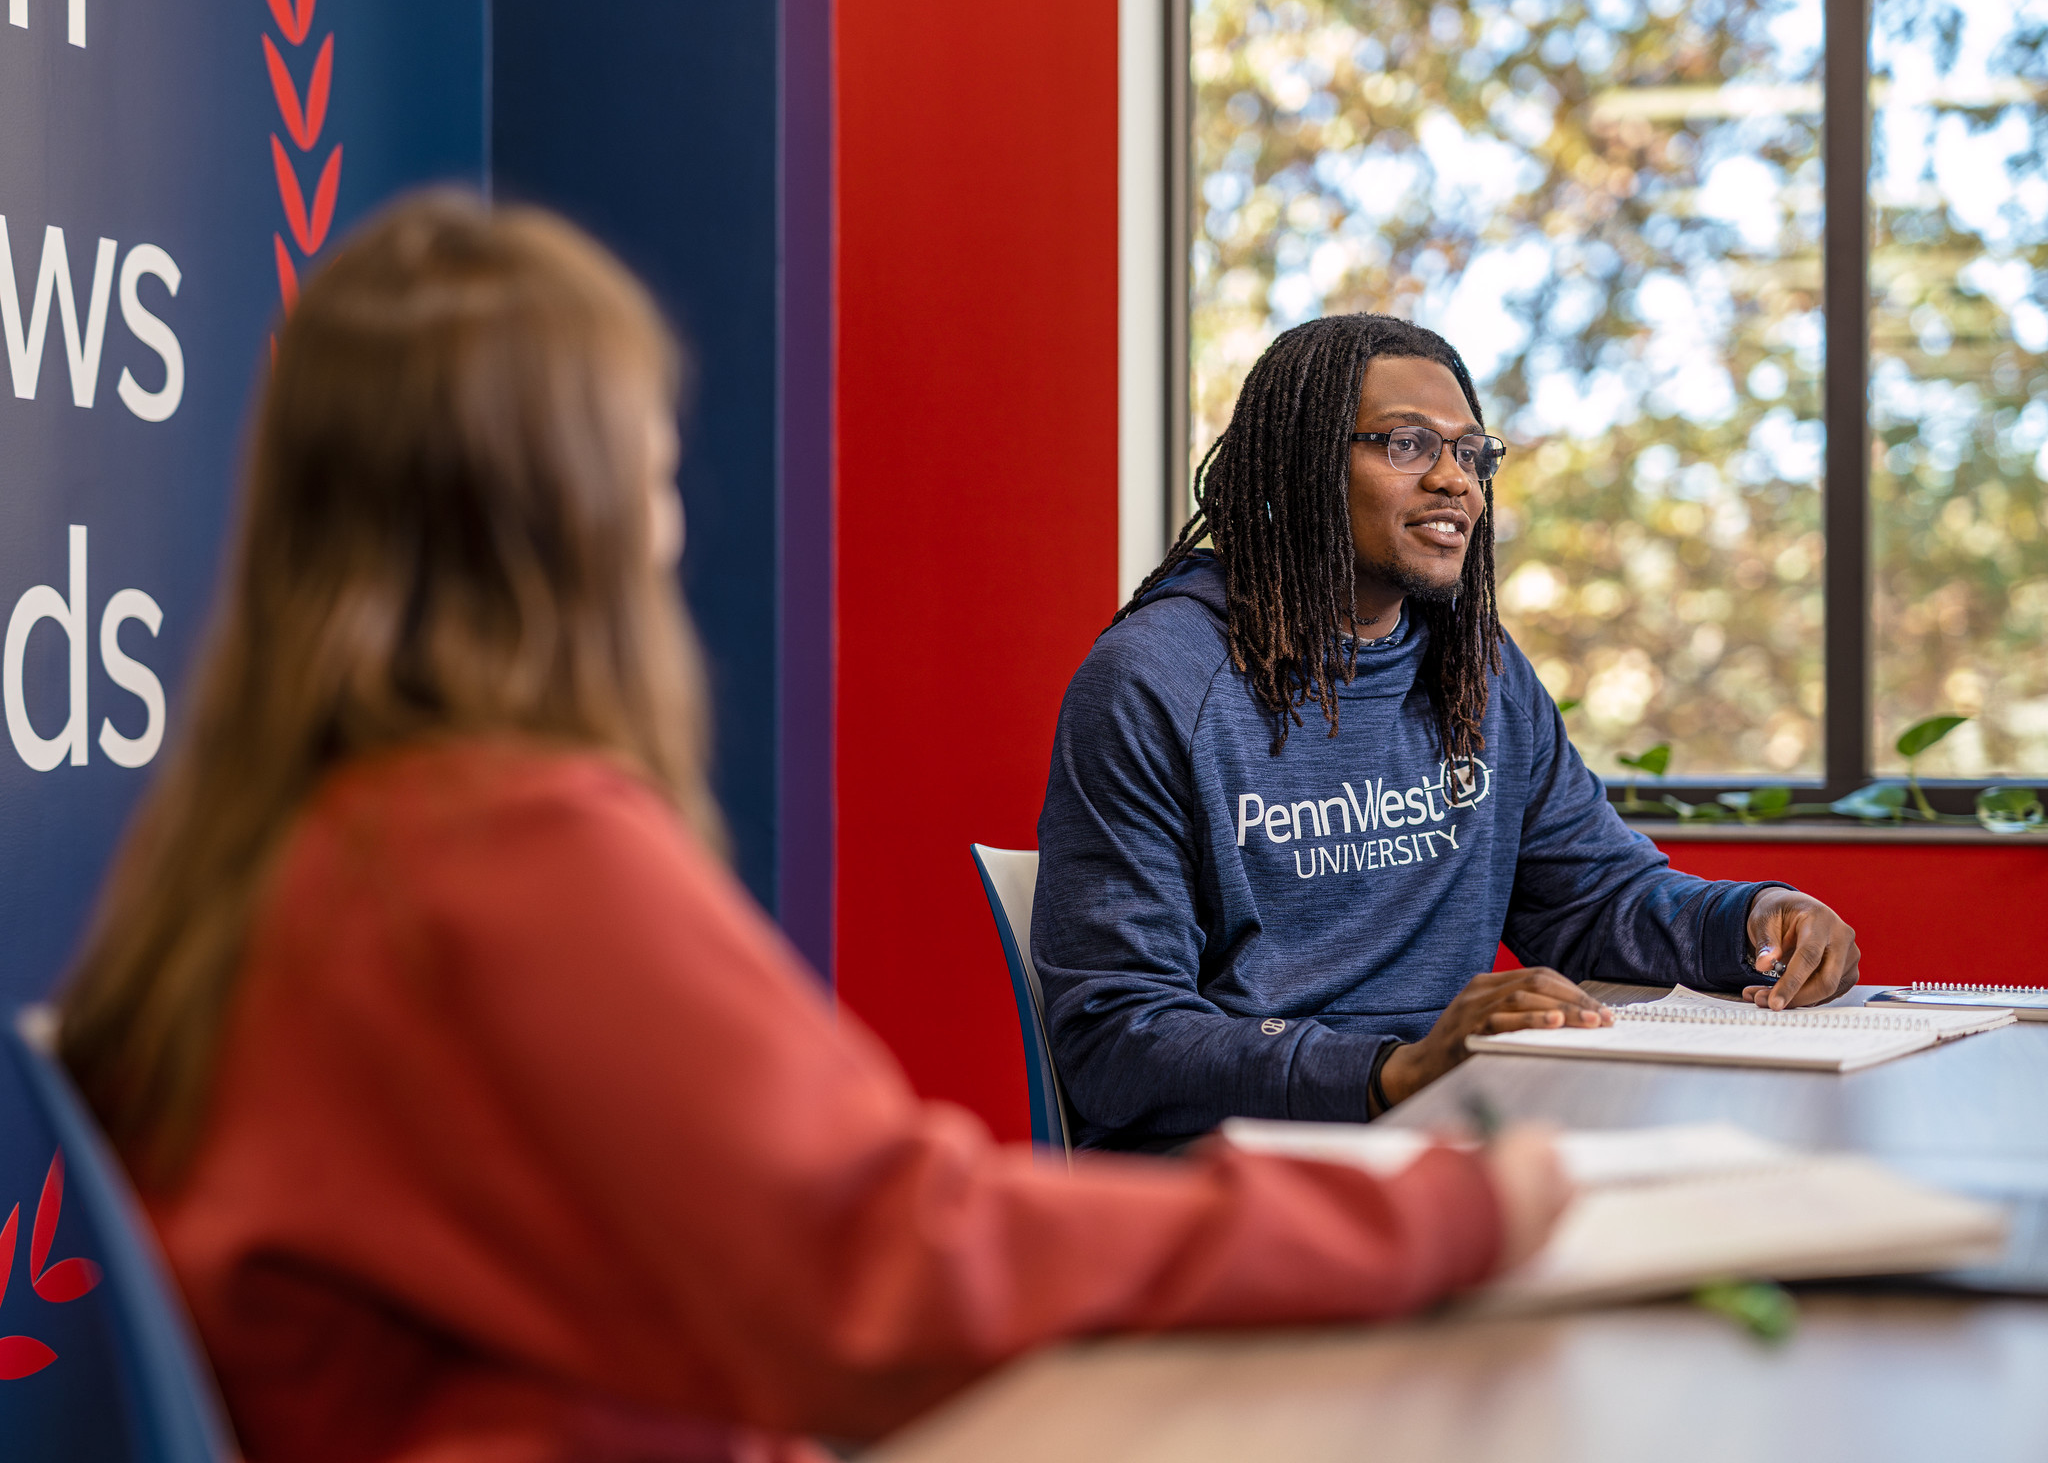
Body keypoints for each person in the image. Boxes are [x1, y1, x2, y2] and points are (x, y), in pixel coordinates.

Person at [55, 199, 1570, 1463]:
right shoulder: (516, 850)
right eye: (654, 466)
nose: (671, 519)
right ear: (586, 511)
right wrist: (1437, 1218)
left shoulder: (275, 853)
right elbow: (889, 1261)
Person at [1032, 314, 1861, 1154]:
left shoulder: (1480, 673)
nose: (1455, 481)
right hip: (1242, 1164)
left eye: (1470, 454)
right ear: (1299, 465)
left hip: (1449, 1129)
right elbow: (1117, 1036)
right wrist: (1392, 1071)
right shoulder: (1155, 681)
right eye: (1407, 445)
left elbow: (1593, 899)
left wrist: (1751, 918)